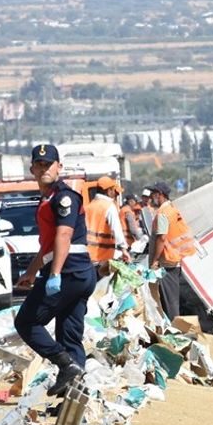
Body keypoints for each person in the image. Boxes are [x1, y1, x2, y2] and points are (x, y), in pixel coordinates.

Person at [13, 144, 98, 397]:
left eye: (48, 164)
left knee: (26, 322)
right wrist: (31, 272)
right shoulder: (48, 198)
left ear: (59, 167)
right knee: (69, 335)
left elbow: (64, 235)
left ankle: (64, 363)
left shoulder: (63, 197)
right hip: (78, 273)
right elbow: (48, 245)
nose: (43, 169)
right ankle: (73, 398)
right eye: (39, 165)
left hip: (69, 271)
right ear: (32, 169)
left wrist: (54, 274)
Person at [147, 181, 213, 333]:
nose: (151, 197)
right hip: (175, 259)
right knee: (172, 299)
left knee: (170, 301)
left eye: (153, 194)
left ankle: (175, 331)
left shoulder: (163, 214)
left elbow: (161, 238)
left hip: (168, 262)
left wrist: (155, 261)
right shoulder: (172, 210)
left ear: (160, 195)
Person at [83, 176, 128, 276]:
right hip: (103, 256)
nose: (115, 194)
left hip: (88, 256)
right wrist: (124, 249)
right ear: (108, 190)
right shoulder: (109, 206)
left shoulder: (89, 206)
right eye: (114, 190)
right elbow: (116, 230)